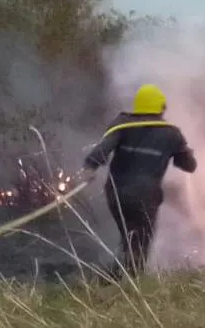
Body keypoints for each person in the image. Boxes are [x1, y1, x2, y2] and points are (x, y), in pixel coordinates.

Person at [80, 84, 197, 279]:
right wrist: (186, 152)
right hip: (145, 196)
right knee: (141, 241)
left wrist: (90, 167)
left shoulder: (122, 124)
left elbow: (103, 148)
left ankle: (116, 279)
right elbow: (188, 166)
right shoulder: (172, 134)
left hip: (116, 194)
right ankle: (122, 282)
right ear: (161, 108)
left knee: (130, 237)